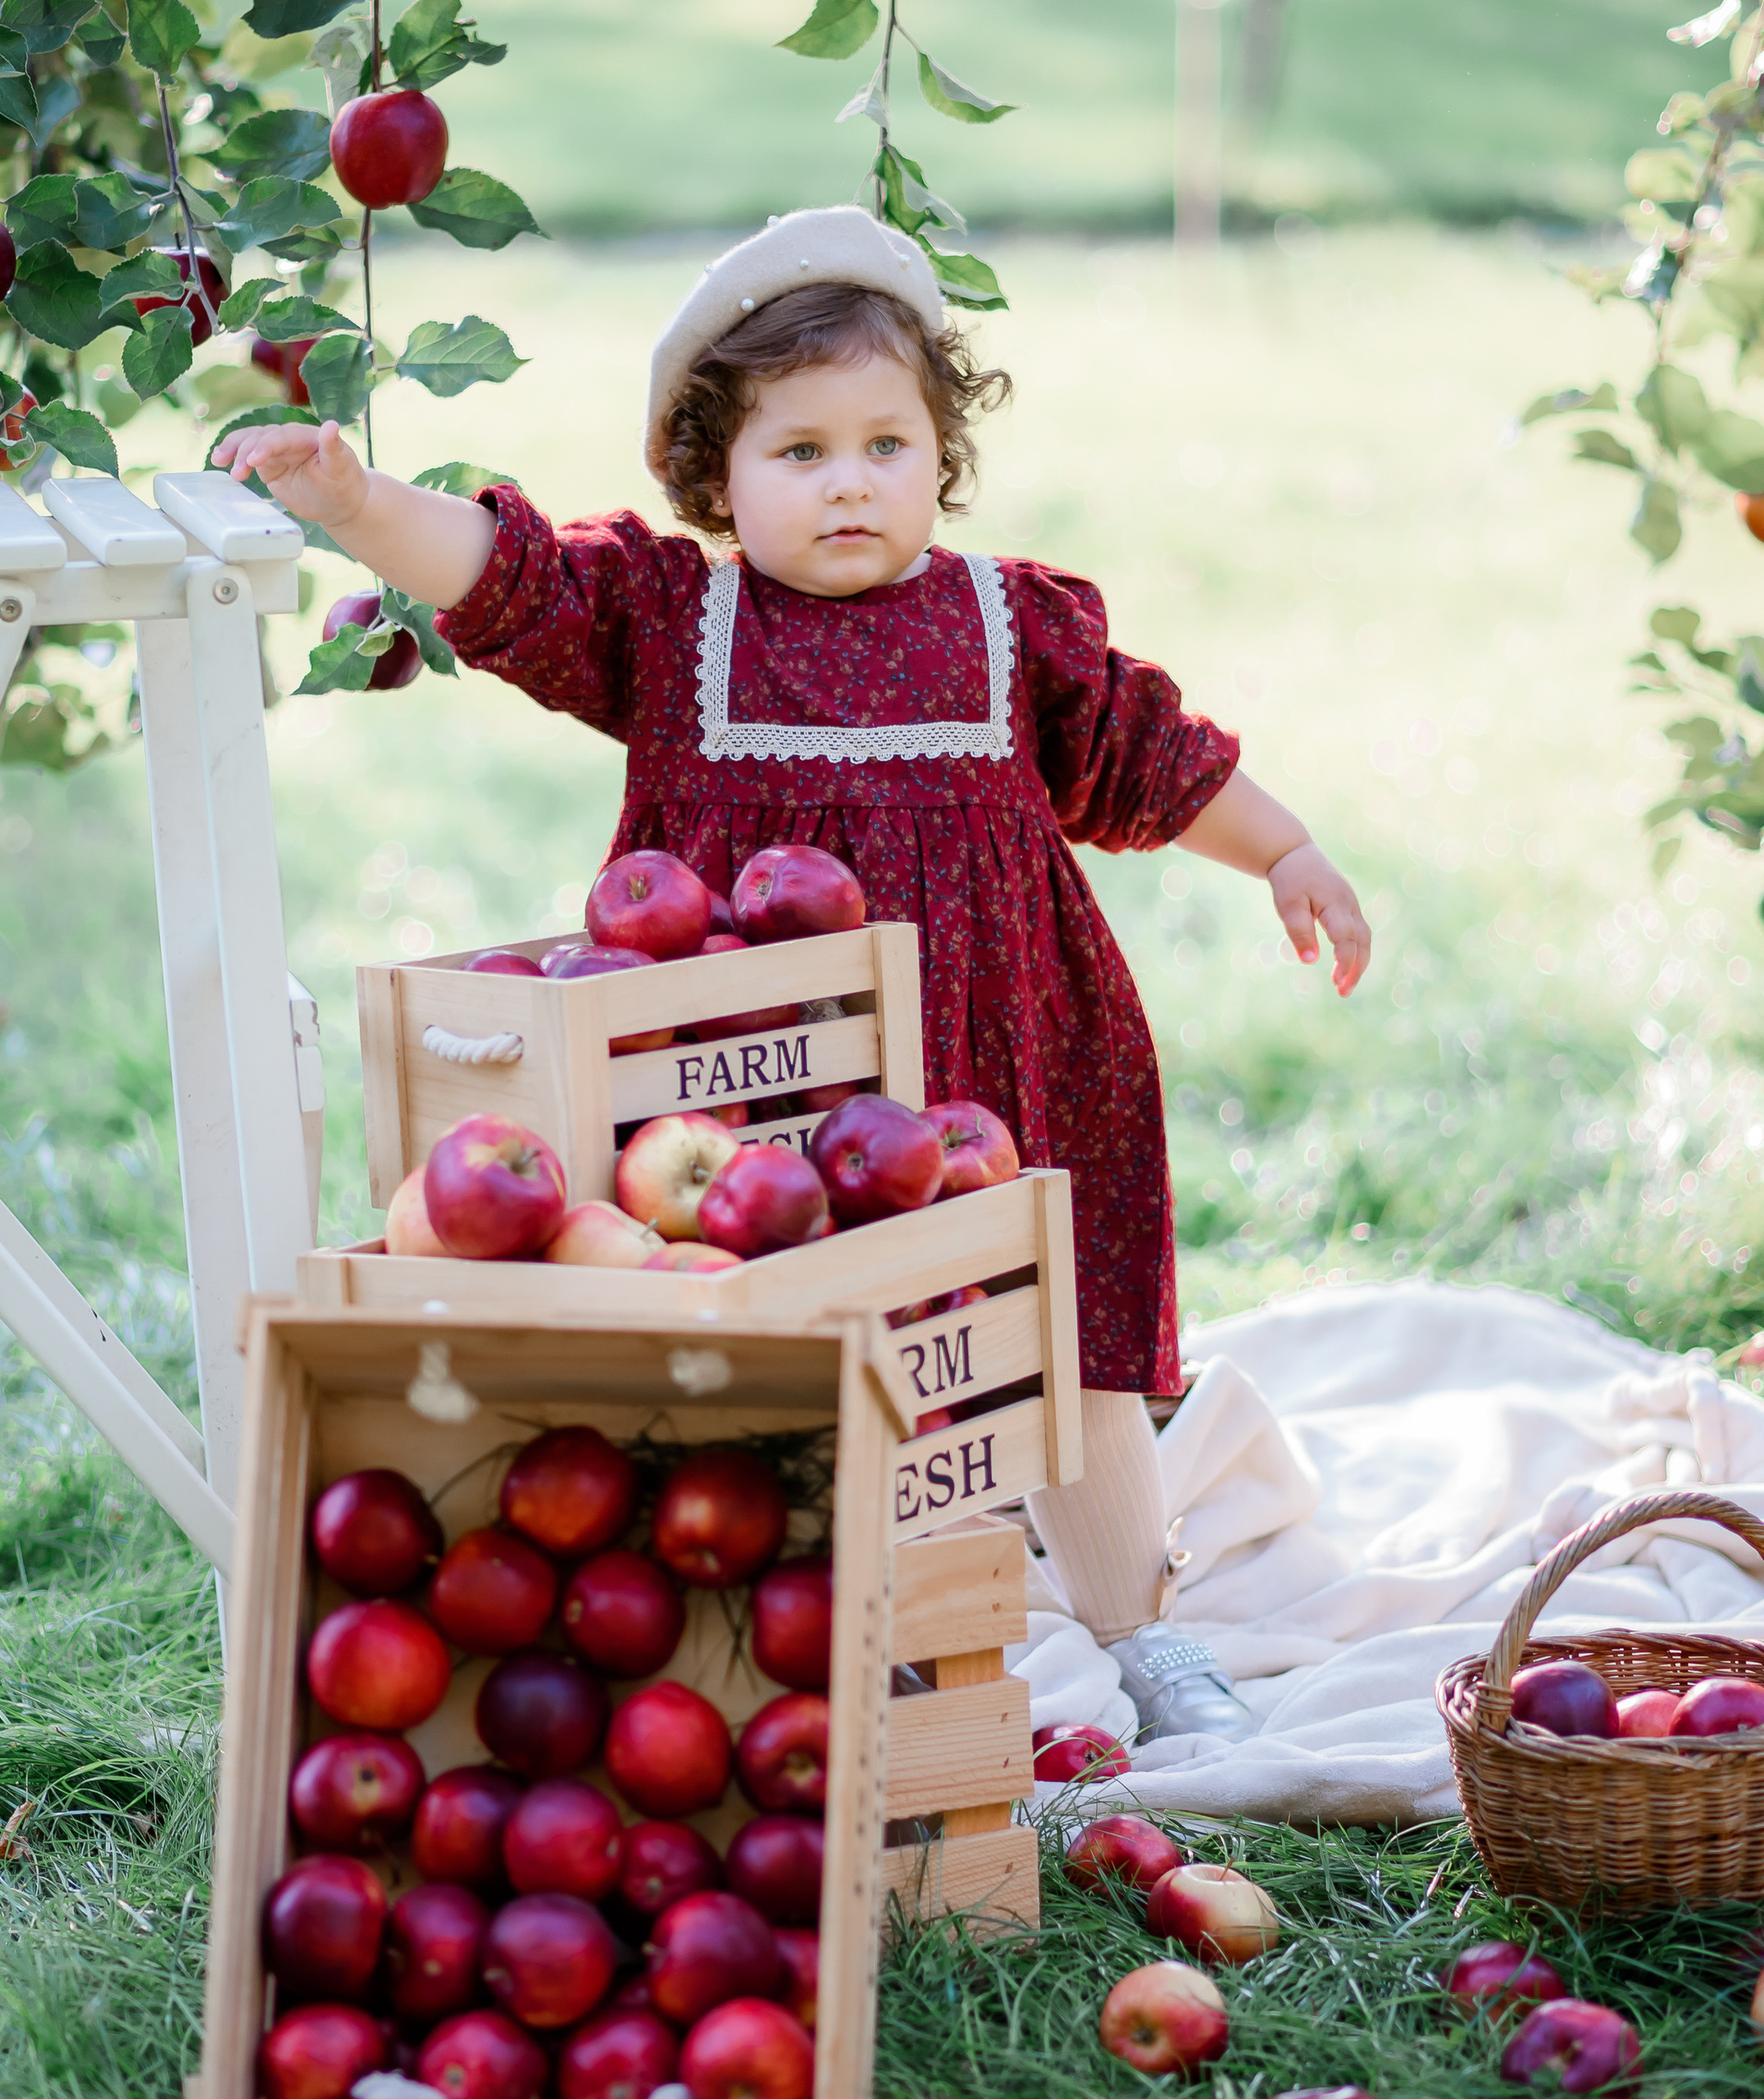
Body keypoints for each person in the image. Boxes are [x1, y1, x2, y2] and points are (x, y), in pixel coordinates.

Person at [216, 207, 1372, 1744]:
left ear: (942, 454)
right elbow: (509, 578)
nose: (851, 483)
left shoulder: (1005, 626)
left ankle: (1142, 1636)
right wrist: (362, 505)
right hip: (756, 1090)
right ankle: (826, 1630)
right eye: (803, 451)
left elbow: (1145, 754)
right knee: (780, 1353)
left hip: (1005, 1060)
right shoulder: (675, 623)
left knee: (1060, 1341)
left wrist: (1285, 847)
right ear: (718, 475)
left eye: (889, 445)